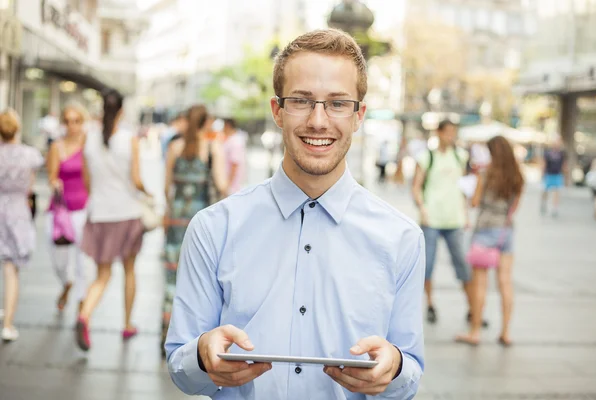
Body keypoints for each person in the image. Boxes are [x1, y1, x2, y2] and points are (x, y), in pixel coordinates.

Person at [165, 29, 425, 399]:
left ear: (358, 115)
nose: (318, 121)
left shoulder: (402, 237)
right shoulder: (213, 228)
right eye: (302, 101)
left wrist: (394, 367)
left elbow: (409, 373)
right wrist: (204, 356)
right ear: (277, 111)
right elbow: (181, 370)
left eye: (337, 103)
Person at [75, 90, 150, 351]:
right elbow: (137, 180)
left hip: (100, 213)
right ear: (121, 110)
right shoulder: (129, 139)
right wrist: (150, 194)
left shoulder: (89, 138)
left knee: (102, 275)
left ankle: (85, 314)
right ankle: (128, 324)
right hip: (127, 213)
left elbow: (87, 181)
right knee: (130, 270)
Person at [160, 105, 227, 355]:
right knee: (199, 280)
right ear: (206, 122)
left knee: (171, 278)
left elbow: (167, 187)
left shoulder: (175, 148)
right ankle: (192, 337)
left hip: (176, 222)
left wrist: (168, 213)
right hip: (202, 225)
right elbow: (221, 185)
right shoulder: (212, 148)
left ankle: (165, 332)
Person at [456, 136, 524, 346]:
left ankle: (475, 332)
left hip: (485, 229)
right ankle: (505, 332)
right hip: (506, 231)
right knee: (505, 282)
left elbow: (475, 202)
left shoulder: (485, 175)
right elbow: (514, 208)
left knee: (480, 284)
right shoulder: (517, 177)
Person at [412, 120, 476, 325]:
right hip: (432, 220)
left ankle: (473, 308)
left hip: (454, 219)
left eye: (453, 133)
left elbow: (466, 187)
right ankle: (430, 304)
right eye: (447, 132)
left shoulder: (460, 156)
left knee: (463, 265)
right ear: (438, 133)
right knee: (428, 265)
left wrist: (466, 214)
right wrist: (422, 207)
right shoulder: (426, 157)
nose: (451, 136)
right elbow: (416, 186)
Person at [0, 109, 44, 341]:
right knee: (11, 268)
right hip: (17, 211)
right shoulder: (30, 155)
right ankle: (8, 323)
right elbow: (30, 185)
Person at [46, 104, 90, 313]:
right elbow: (52, 176)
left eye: (77, 121)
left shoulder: (89, 145)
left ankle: (82, 303)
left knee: (83, 260)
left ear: (82, 122)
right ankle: (66, 283)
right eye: (68, 121)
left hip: (83, 209)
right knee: (59, 261)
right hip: (60, 211)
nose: (72, 125)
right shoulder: (57, 146)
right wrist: (55, 184)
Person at [541, 136, 567, 218]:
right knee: (545, 191)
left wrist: (565, 175)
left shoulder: (562, 153)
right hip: (549, 174)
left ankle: (554, 208)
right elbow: (544, 163)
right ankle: (544, 203)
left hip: (558, 174)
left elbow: (564, 165)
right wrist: (542, 173)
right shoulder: (547, 153)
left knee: (556, 191)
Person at [222, 117, 247, 195]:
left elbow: (235, 164)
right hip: (231, 184)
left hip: (232, 186)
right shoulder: (233, 139)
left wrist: (228, 185)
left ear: (228, 126)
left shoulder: (235, 141)